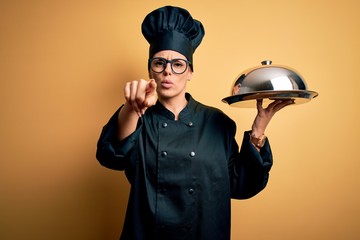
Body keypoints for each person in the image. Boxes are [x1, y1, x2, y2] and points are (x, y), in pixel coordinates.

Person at [96, 5, 293, 240]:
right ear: (151, 70)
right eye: (159, 63)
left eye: (178, 64)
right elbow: (111, 157)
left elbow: (241, 185)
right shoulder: (139, 119)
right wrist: (132, 107)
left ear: (190, 71)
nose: (168, 72)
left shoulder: (217, 122)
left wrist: (259, 128)